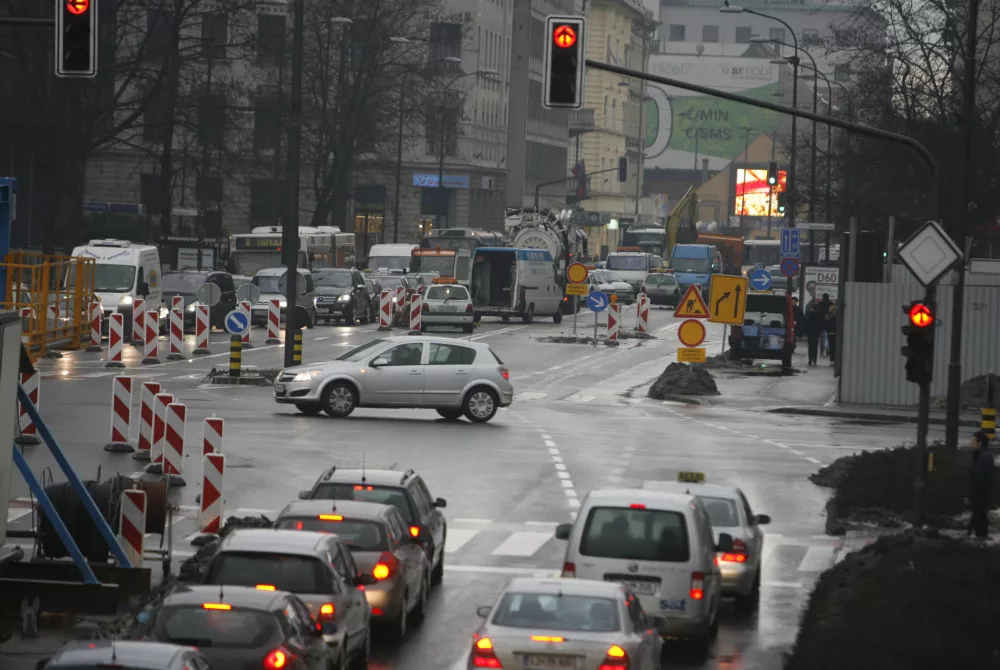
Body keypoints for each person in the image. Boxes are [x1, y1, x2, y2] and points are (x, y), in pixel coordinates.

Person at [966, 431, 994, 539]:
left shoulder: (984, 458)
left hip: (981, 499)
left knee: (980, 527)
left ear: (980, 443)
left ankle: (981, 547)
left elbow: (979, 480)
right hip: (980, 499)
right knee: (977, 524)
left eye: (973, 441)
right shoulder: (979, 456)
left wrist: (971, 497)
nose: (970, 443)